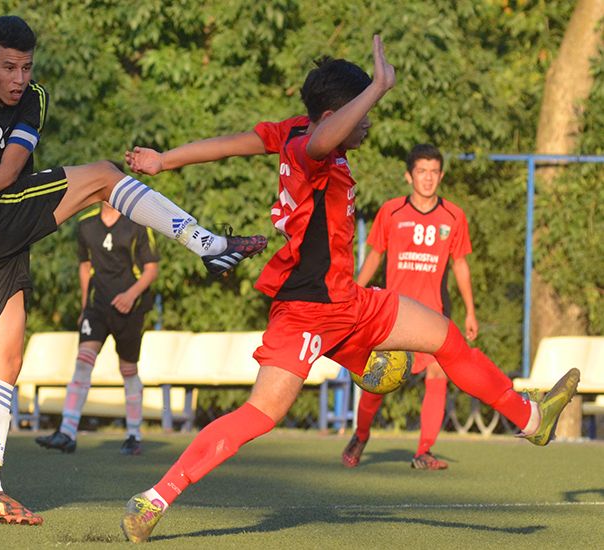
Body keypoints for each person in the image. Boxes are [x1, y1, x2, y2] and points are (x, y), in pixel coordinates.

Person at [119, 35, 579, 543]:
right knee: (260, 414)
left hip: (351, 301)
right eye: (361, 113)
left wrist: (167, 160)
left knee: (447, 338)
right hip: (308, 309)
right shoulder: (310, 144)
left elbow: (232, 143)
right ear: (338, 112)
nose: (368, 122)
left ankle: (531, 417)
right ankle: (155, 498)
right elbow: (316, 143)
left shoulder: (295, 128)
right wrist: (379, 84)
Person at [0, 15, 266, 526]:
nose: (18, 79)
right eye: (7, 67)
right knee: (102, 177)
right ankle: (207, 243)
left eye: (26, 67)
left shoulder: (34, 98)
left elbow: (10, 169)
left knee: (5, 361)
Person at [342, 144, 476, 471]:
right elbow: (374, 254)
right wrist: (354, 293)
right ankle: (360, 435)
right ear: (408, 175)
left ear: (441, 176)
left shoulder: (454, 216)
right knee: (376, 378)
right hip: (392, 313)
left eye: (433, 172)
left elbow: (460, 265)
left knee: (438, 371)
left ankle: (424, 451)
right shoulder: (391, 212)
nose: (427, 178)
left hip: (433, 314)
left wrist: (471, 311)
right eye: (421, 171)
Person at [35, 201, 159, 456]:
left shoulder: (138, 223)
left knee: (128, 370)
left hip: (130, 309)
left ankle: (134, 434)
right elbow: (84, 266)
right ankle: (67, 432)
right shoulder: (86, 225)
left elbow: (151, 269)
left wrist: (130, 295)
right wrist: (84, 307)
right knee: (83, 362)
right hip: (97, 307)